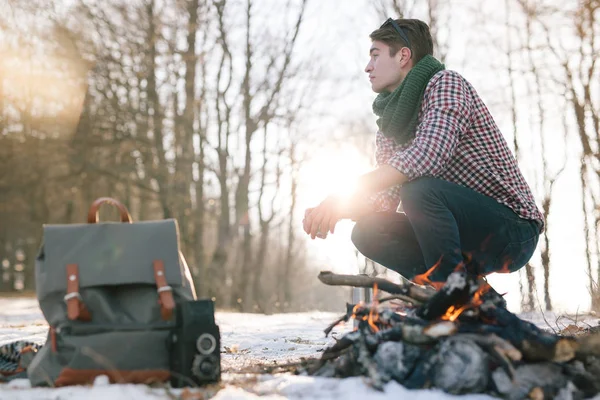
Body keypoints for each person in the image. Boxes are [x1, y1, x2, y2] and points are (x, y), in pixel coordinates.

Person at [302, 18, 543, 288]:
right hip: (455, 232)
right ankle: (475, 299)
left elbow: (427, 155)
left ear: (403, 55)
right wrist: (338, 208)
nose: (367, 67)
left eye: (375, 55)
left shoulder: (446, 84)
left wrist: (343, 192)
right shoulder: (390, 127)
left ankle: (453, 297)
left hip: (511, 230)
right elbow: (383, 202)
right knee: (369, 231)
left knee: (418, 190)